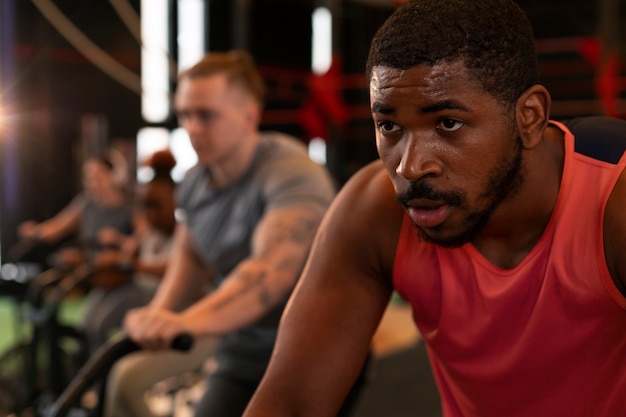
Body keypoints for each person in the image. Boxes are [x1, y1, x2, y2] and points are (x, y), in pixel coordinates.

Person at [242, 1, 626, 417]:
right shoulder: (375, 213)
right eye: (389, 126)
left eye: (448, 123)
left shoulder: (614, 203)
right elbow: (291, 404)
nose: (411, 166)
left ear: (529, 117)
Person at [105, 50, 365, 417]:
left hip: (316, 349)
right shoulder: (194, 183)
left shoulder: (291, 172)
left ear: (250, 116)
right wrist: (156, 317)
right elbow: (190, 261)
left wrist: (187, 323)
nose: (193, 128)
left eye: (206, 115)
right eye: (185, 115)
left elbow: (270, 272)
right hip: (244, 345)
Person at [17, 153, 135, 353]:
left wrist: (119, 240)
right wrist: (35, 232)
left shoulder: (130, 207)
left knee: (99, 326)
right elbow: (59, 226)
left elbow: (144, 240)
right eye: (87, 176)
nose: (91, 181)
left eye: (97, 175)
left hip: (124, 280)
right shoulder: (87, 204)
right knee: (84, 326)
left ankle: (106, 374)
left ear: (113, 175)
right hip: (99, 280)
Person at [81, 149, 179, 349]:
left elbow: (174, 269)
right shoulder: (151, 234)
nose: (151, 215)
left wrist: (136, 265)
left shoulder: (183, 237)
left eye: (157, 206)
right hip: (137, 289)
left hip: (154, 296)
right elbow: (128, 252)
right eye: (146, 207)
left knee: (102, 325)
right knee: (87, 323)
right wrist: (114, 258)